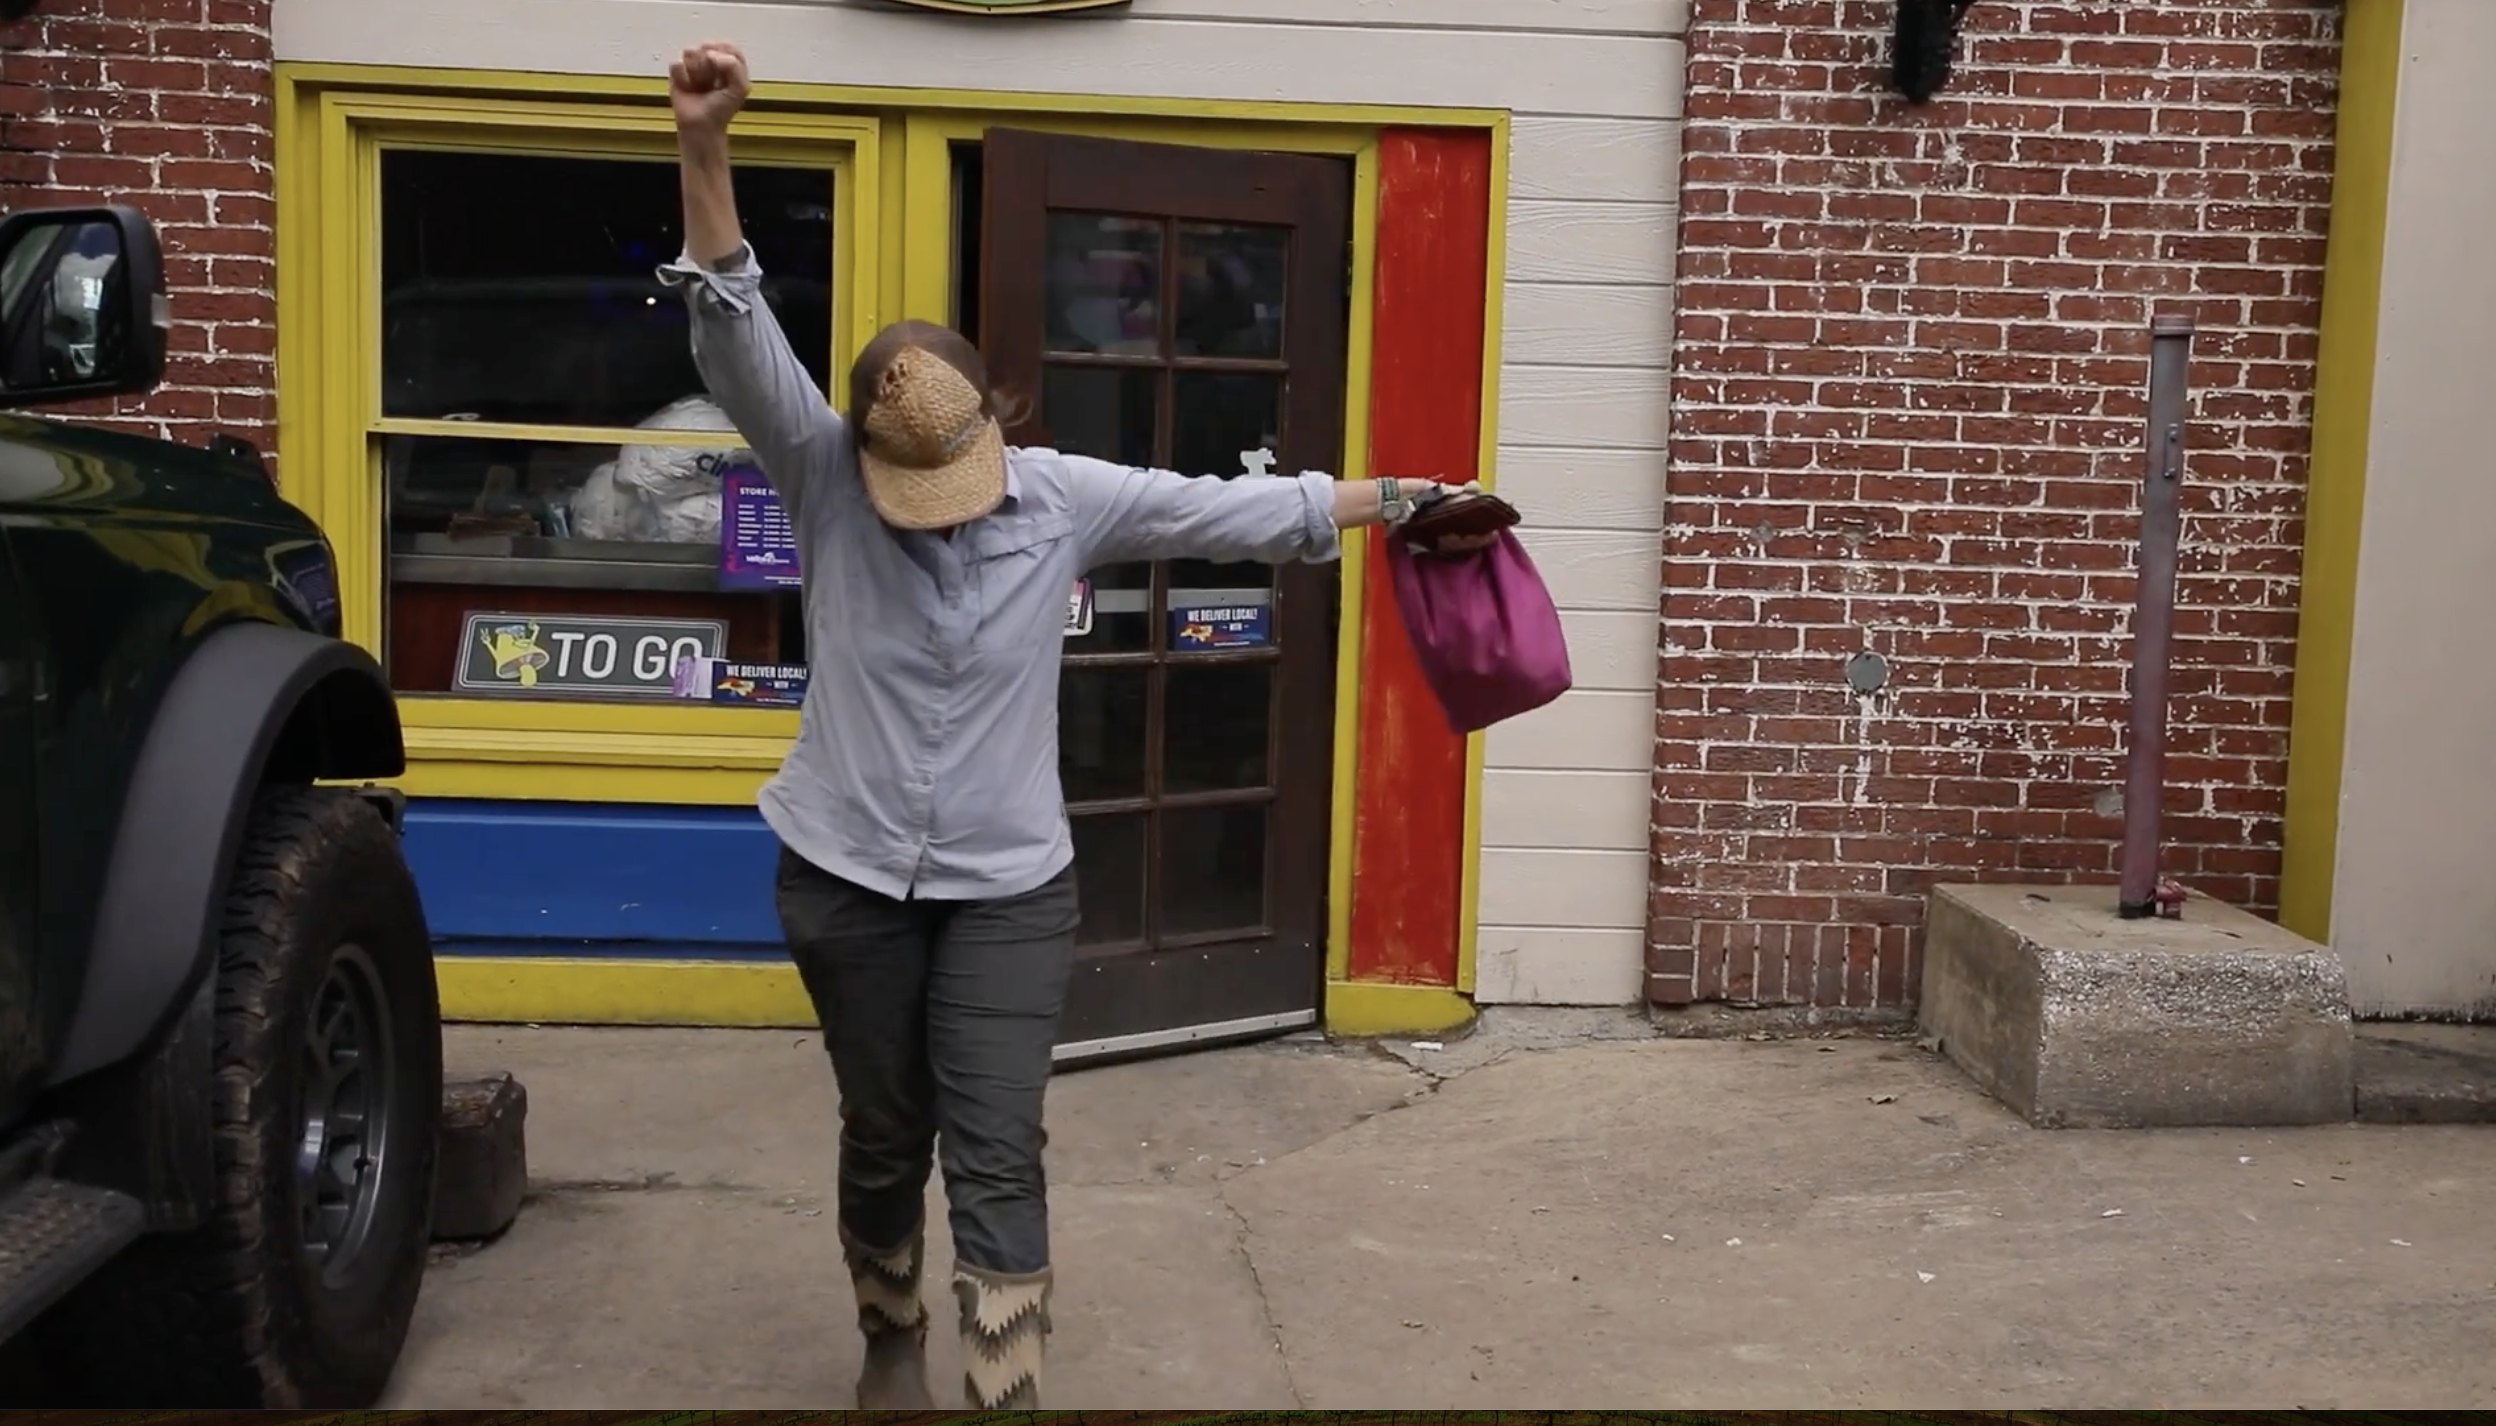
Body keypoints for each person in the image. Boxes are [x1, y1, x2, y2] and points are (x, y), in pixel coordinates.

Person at [664, 39, 1485, 1410]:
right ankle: (886, 1322)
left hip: (1008, 891)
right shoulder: (821, 472)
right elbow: (735, 328)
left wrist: (1408, 493)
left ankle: (1004, 1388)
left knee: (996, 1140)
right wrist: (704, 144)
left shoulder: (1058, 493)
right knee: (884, 1129)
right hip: (845, 876)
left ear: (998, 429)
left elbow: (1241, 512)